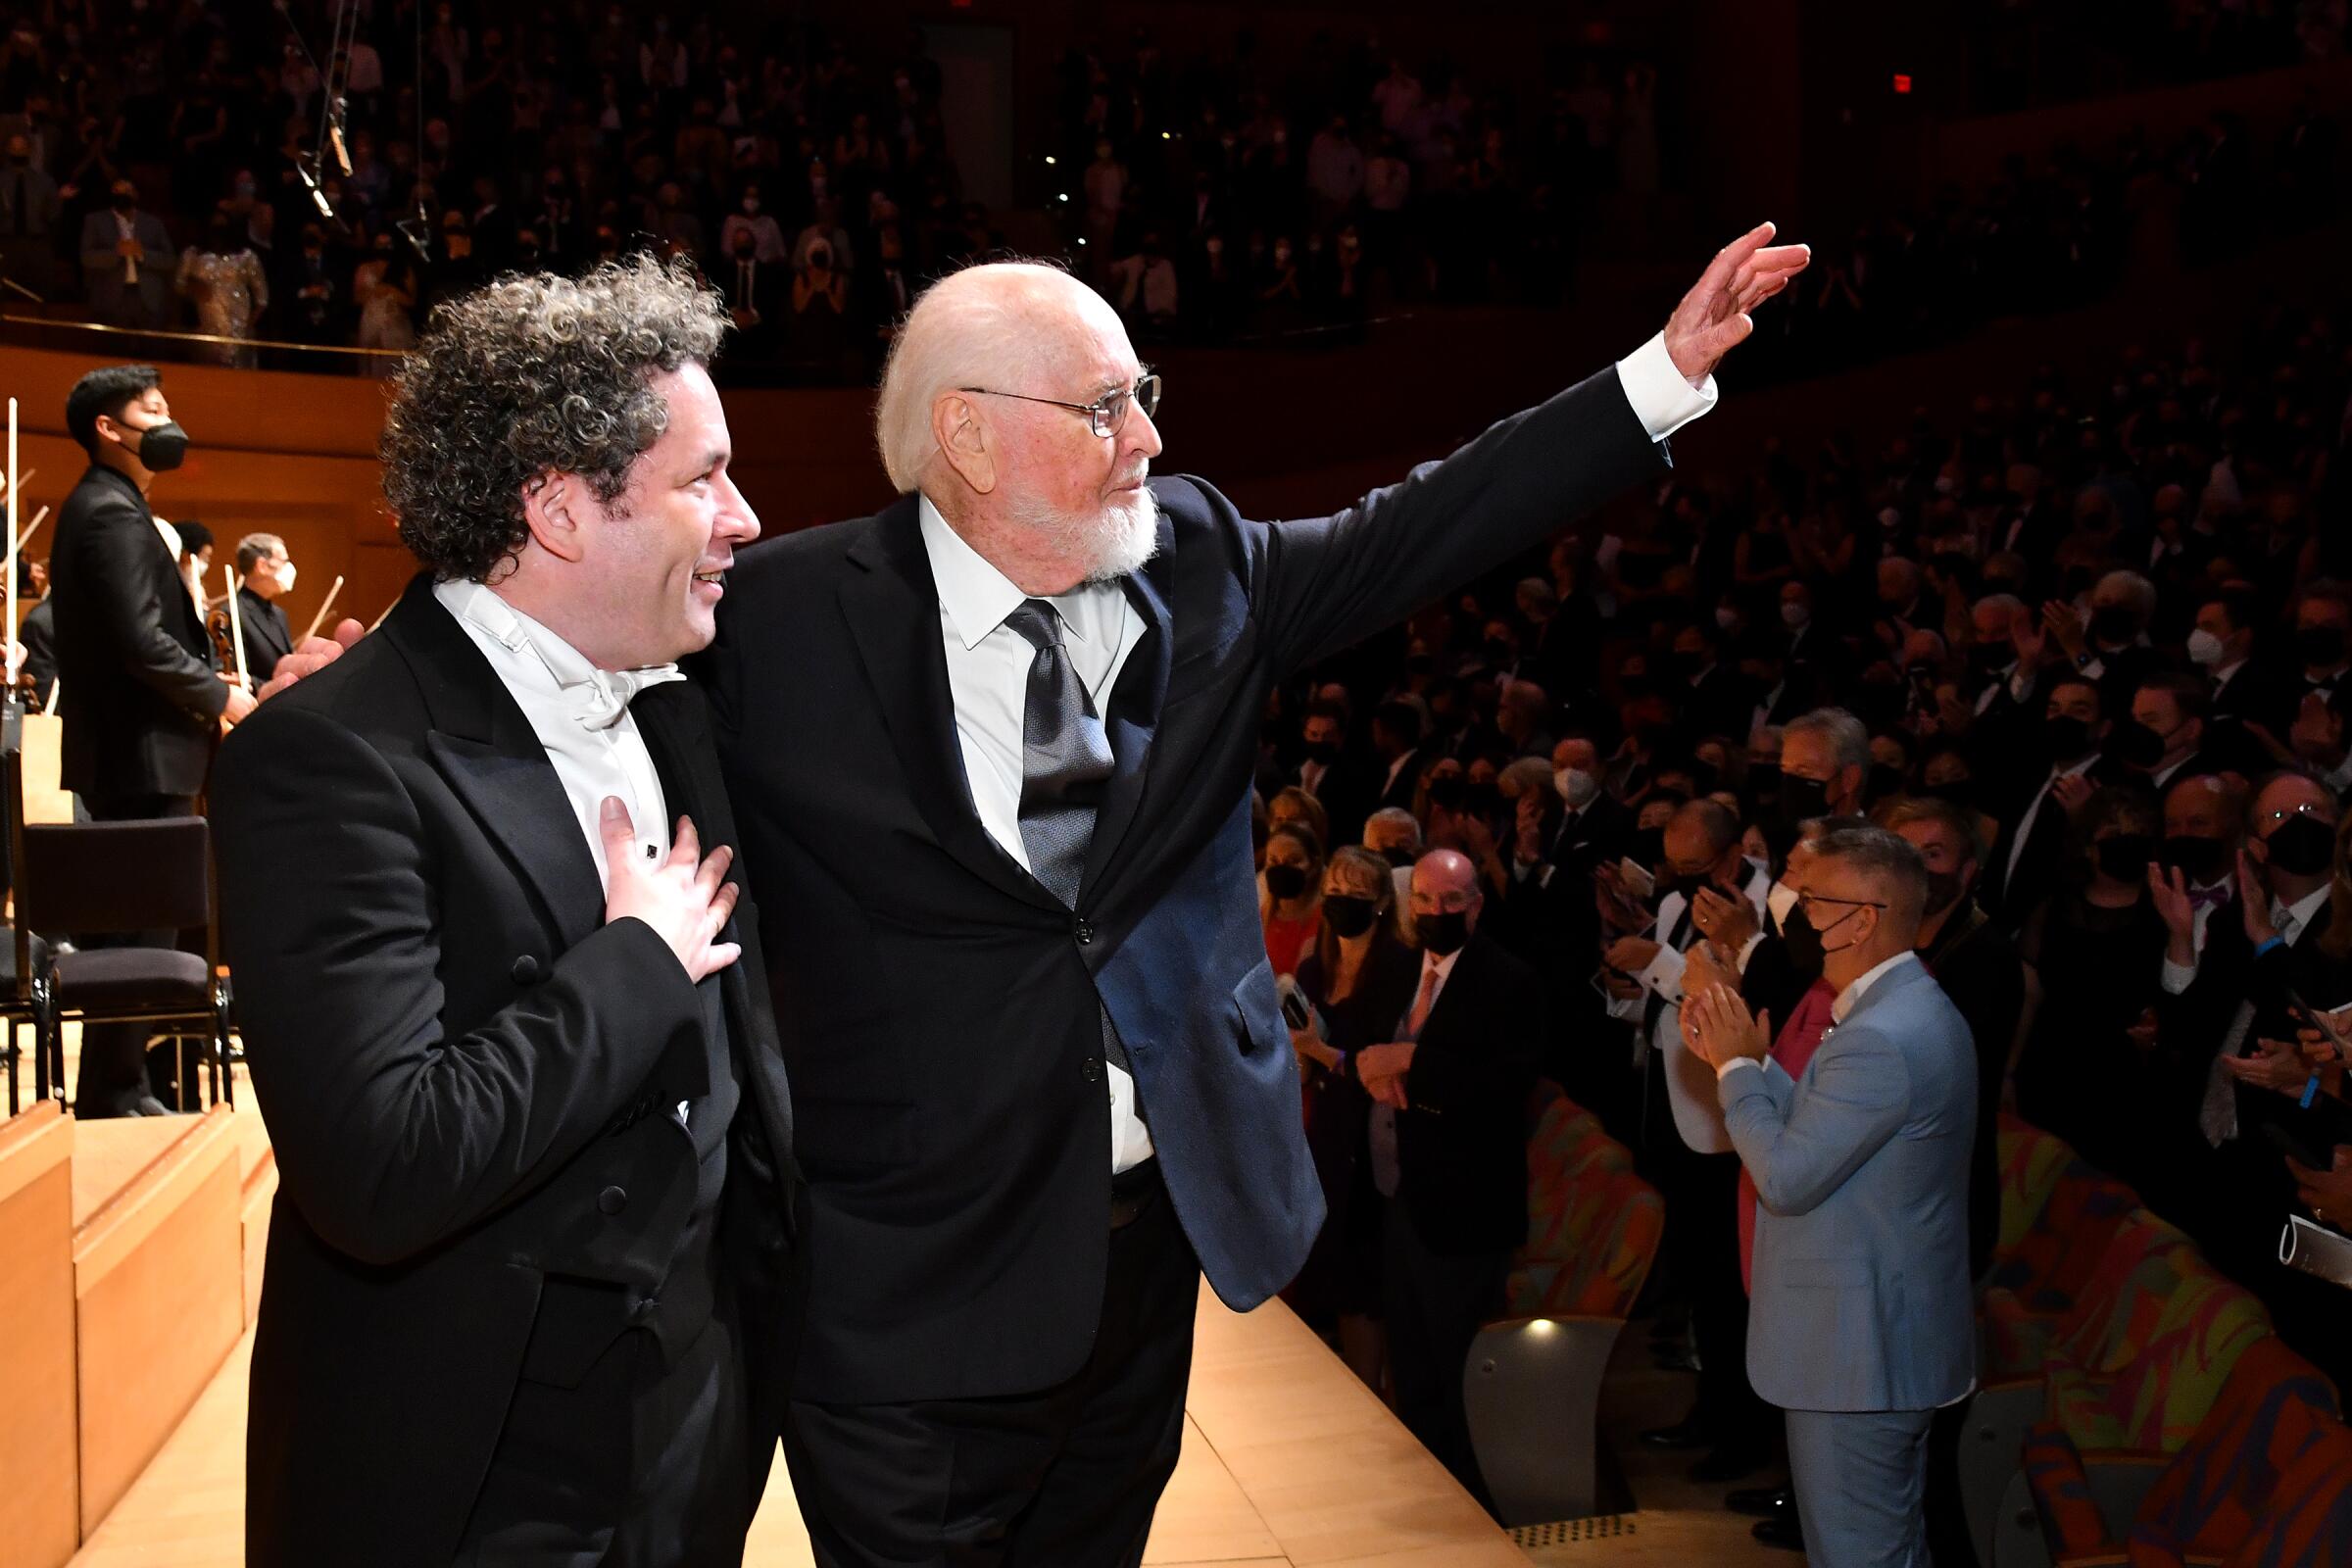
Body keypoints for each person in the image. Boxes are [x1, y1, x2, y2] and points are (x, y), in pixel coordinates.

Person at [703, 230, 1806, 1563]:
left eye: (1143, 394)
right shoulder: (774, 621)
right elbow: (587, 720)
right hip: (905, 1288)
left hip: (1141, 1260)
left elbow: (1432, 519)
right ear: (970, 437)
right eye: (1105, 406)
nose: (1147, 440)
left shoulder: (1201, 561)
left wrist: (1659, 377)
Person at [208, 258, 796, 1565]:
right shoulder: (330, 757)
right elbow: (380, 1167)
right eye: (704, 476)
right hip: (483, 1463)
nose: (743, 515)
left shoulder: (678, 703)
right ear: (561, 509)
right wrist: (637, 960)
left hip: (695, 1425)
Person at [1685, 823, 1978, 1568]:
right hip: (1875, 1342)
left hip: (1859, 1354)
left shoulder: (1882, 1035)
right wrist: (1751, 1063)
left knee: (1859, 1558)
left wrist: (1735, 1073)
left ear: (1863, 918)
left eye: (1814, 900)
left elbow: (1785, 1178)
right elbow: (1836, 1136)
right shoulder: (1905, 1009)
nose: (1799, 915)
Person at [48, 364, 252, 1117]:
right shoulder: (108, 511)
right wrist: (225, 696)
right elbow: (141, 640)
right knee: (140, 927)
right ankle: (117, 1087)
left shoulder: (114, 504)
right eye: (153, 410)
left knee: (141, 924)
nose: (168, 422)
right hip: (139, 754)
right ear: (110, 428)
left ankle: (127, 1079)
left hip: (140, 750)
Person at [1355, 847, 1543, 1505]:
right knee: (1412, 1361)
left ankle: (1476, 1504)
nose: (1438, 912)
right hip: (1397, 1196)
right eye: (1427, 900)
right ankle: (1432, 1493)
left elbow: (1503, 1086)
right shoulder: (1400, 963)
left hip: (1465, 1209)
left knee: (1458, 1365)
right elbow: (1363, 1039)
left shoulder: (1507, 980)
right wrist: (1367, 1064)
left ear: (1477, 905)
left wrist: (1408, 1063)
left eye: (1453, 901)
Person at [1287, 843, 1418, 1388]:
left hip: (1376, 1138)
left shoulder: (1399, 970)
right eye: (1335, 892)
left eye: (1356, 894)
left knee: (1365, 1283)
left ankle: (1377, 1393)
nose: (1342, 902)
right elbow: (1307, 1063)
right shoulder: (1317, 967)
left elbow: (1379, 1071)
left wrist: (1318, 1051)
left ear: (1383, 902)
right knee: (1335, 1275)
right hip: (1327, 1131)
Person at [78, 178, 174, 331]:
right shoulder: (95, 221)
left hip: (148, 298)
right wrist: (116, 253)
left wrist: (142, 254)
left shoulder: (153, 223)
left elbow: (169, 260)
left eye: (127, 191)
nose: (122, 195)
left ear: (135, 195)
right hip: (112, 297)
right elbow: (86, 257)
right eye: (117, 192)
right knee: (114, 349)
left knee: (152, 349)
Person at [214, 532, 296, 685]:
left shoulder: (279, 614)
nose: (289, 568)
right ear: (262, 566)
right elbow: (237, 679)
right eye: (284, 561)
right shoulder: (231, 613)